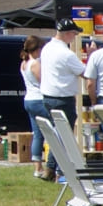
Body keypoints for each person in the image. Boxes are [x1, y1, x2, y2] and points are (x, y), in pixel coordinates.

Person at [38, 18, 86, 182]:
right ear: (67, 34)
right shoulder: (66, 54)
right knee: (63, 135)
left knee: (58, 134)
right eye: (73, 34)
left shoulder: (47, 49)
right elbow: (85, 72)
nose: (74, 37)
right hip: (63, 97)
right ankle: (55, 168)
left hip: (48, 96)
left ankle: (52, 168)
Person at [19, 35, 50, 179]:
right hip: (39, 99)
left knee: (37, 134)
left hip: (28, 99)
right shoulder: (36, 64)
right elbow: (43, 82)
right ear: (36, 49)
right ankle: (52, 164)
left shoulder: (23, 64)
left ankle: (37, 167)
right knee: (53, 130)